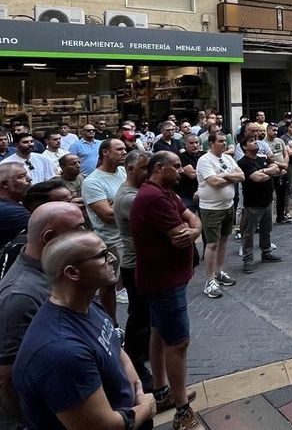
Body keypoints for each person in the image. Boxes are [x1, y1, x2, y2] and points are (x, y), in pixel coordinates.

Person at [11, 231, 157, 430]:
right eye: (102, 255)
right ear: (72, 273)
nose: (112, 258)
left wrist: (137, 391)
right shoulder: (60, 352)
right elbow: (103, 427)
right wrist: (145, 407)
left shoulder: (88, 305)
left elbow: (117, 351)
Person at [0, 202, 85, 429]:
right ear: (49, 237)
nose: (86, 234)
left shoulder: (54, 271)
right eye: (79, 229)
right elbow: (1, 382)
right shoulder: (19, 297)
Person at [131, 151, 202, 428]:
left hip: (164, 279)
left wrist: (193, 230)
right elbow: (179, 238)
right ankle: (182, 411)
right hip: (164, 282)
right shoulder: (155, 198)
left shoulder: (163, 192)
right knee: (178, 342)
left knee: (158, 332)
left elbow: (191, 221)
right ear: (159, 168)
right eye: (175, 167)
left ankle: (162, 392)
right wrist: (191, 231)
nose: (182, 170)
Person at [112, 150, 153, 391]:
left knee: (144, 314)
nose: (149, 173)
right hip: (134, 264)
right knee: (138, 315)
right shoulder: (130, 197)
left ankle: (143, 351)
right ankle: (135, 364)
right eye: (145, 168)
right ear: (130, 169)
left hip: (142, 262)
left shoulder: (139, 192)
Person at [82, 139, 128, 324]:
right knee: (109, 285)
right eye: (119, 149)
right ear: (105, 153)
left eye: (125, 149)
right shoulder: (92, 181)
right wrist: (126, 201)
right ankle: (111, 323)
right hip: (112, 240)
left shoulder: (124, 172)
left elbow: (139, 198)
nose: (124, 152)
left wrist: (115, 202)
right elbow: (107, 216)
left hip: (129, 236)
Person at [197, 132, 244, 298]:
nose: (224, 144)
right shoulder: (204, 160)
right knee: (212, 244)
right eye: (220, 141)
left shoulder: (228, 158)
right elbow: (213, 182)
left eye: (225, 141)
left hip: (228, 206)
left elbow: (242, 175)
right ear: (211, 143)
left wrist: (223, 175)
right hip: (211, 209)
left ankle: (219, 272)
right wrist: (230, 177)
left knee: (223, 240)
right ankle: (209, 281)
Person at [237, 138, 283, 273]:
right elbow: (256, 178)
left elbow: (276, 168)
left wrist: (264, 172)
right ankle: (248, 260)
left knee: (266, 229)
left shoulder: (262, 158)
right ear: (245, 147)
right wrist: (268, 172)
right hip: (253, 203)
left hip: (267, 200)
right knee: (249, 233)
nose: (255, 142)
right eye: (251, 141)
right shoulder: (243, 163)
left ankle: (266, 253)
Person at [263, 124, 292, 223]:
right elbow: (266, 159)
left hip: (282, 173)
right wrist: (281, 166)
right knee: (268, 197)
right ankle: (266, 219)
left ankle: (281, 216)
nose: (275, 132)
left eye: (276, 130)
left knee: (282, 195)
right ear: (268, 130)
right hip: (271, 174)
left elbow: (286, 154)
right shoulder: (263, 143)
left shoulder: (280, 141)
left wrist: (284, 166)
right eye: (273, 130)